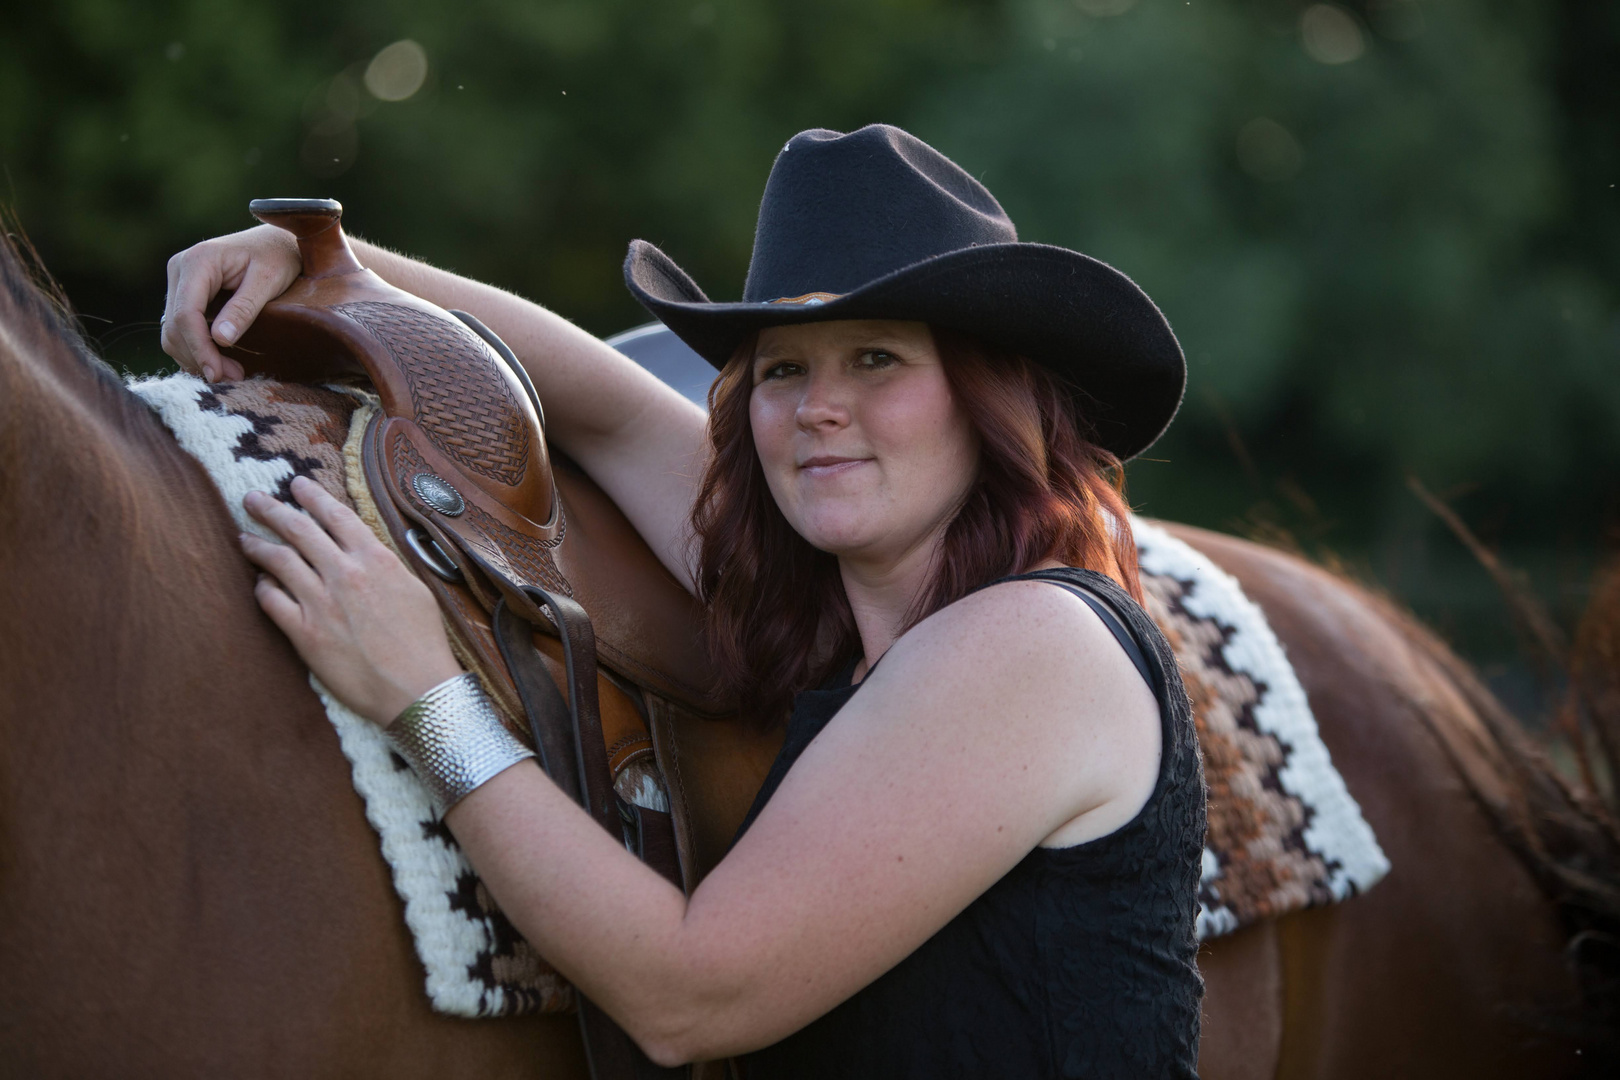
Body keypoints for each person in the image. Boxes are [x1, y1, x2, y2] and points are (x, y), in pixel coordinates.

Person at [162, 124, 1205, 1077]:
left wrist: (426, 696)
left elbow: (687, 996)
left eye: (877, 359)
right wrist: (332, 272)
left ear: (990, 399)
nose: (818, 409)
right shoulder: (839, 611)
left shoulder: (1031, 641)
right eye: (782, 369)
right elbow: (606, 411)